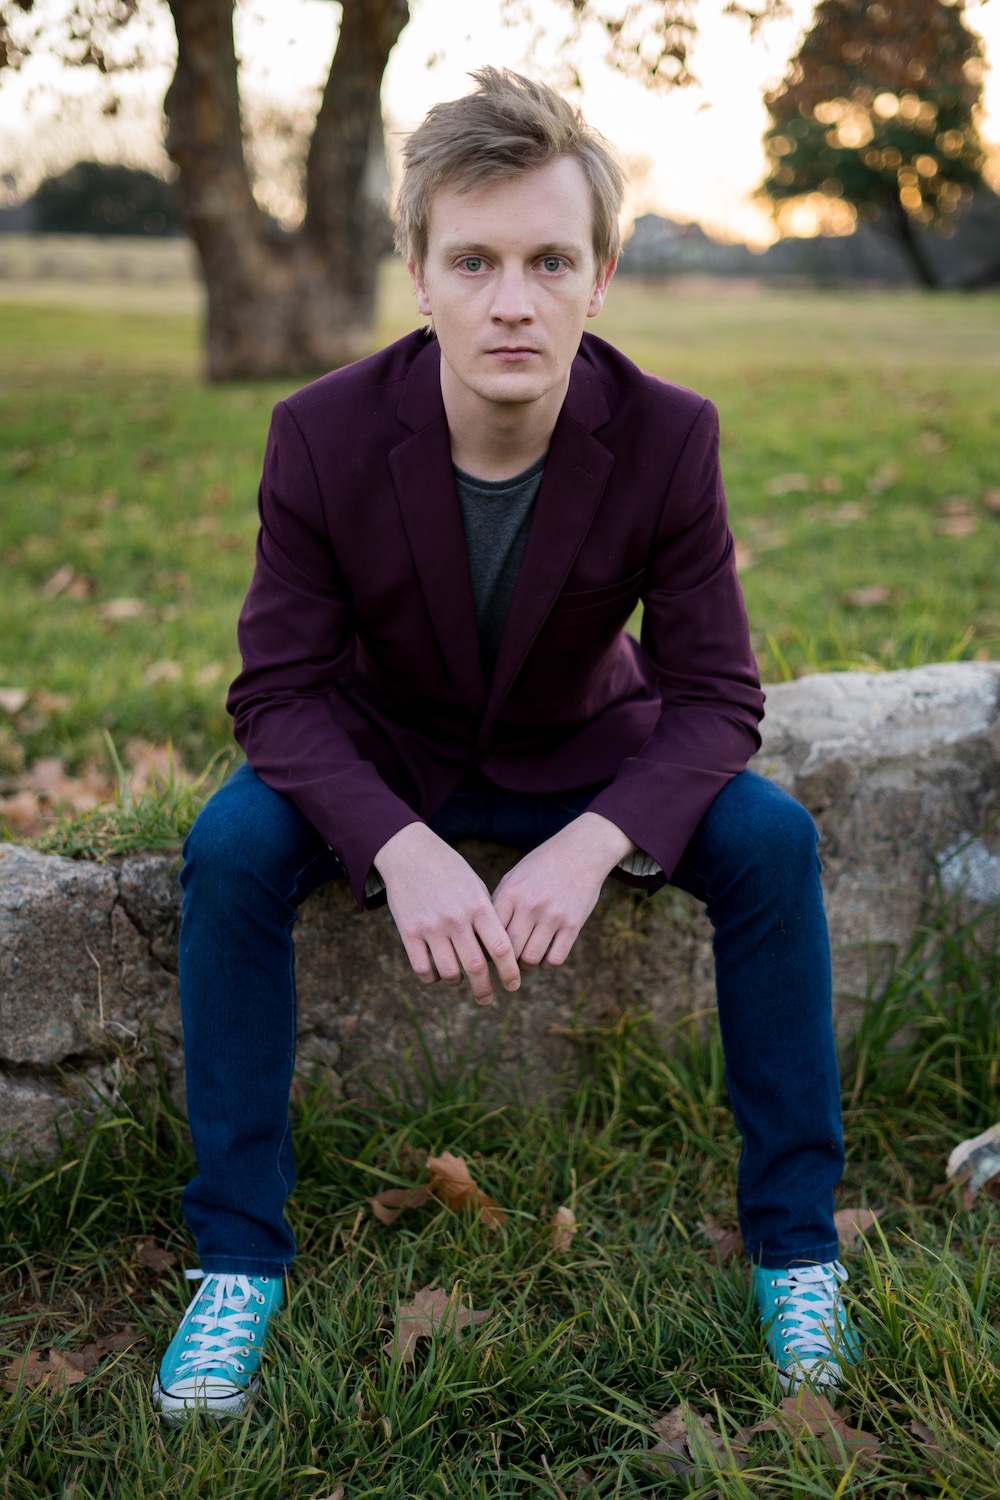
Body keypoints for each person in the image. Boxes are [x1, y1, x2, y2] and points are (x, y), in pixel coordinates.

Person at [153, 67, 860, 1420]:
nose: (512, 302)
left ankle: (797, 1251)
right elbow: (278, 693)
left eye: (550, 262)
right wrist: (397, 845)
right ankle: (236, 1261)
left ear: (601, 278)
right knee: (231, 848)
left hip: (587, 750)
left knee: (772, 839)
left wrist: (597, 843)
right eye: (473, 262)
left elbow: (718, 694)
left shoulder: (669, 435)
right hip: (380, 751)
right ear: (419, 275)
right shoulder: (319, 433)